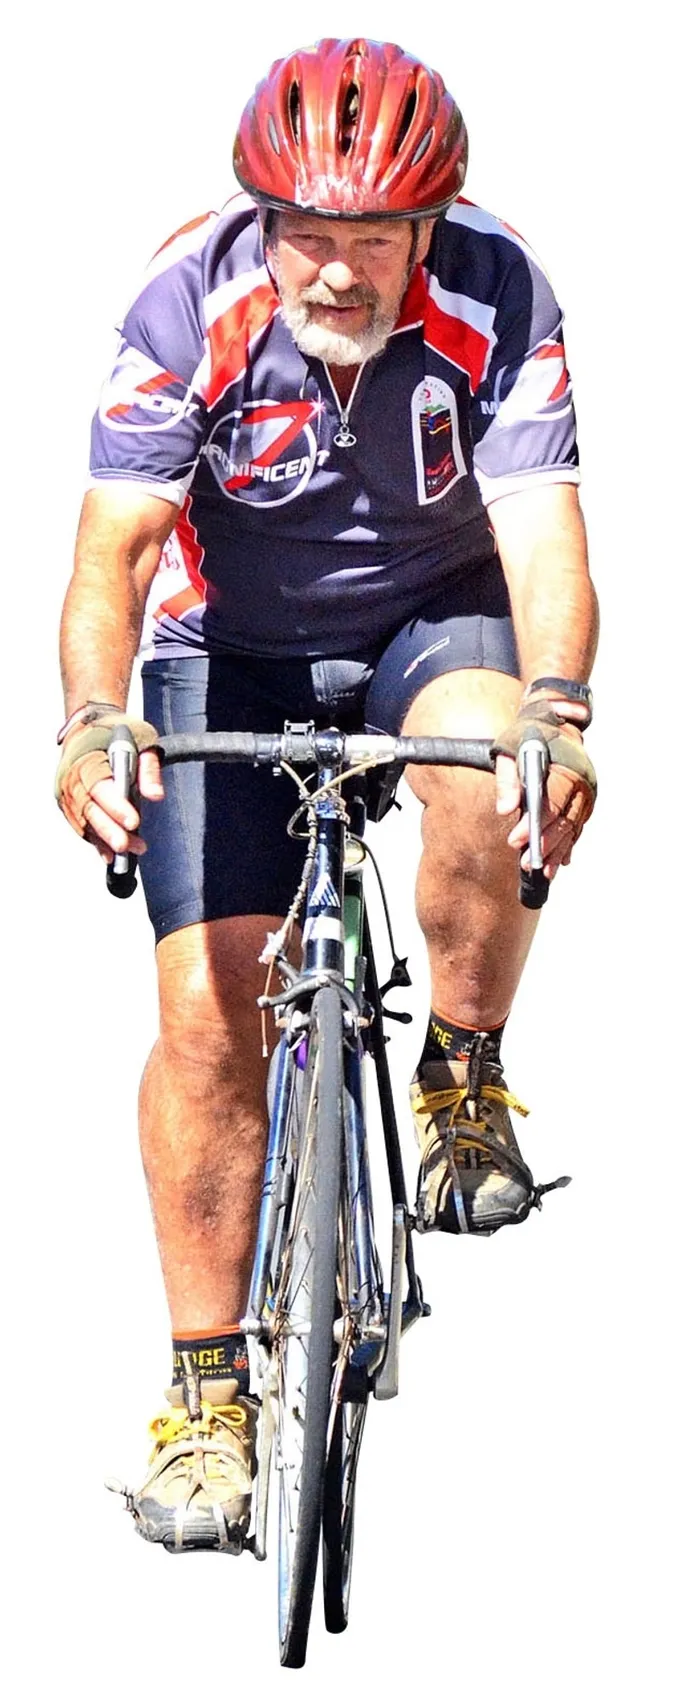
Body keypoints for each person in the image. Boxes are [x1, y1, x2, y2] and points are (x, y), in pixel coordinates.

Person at [56, 38, 598, 1553]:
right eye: (307, 232)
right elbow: (113, 552)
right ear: (261, 218)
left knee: (488, 767)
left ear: (433, 227)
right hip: (225, 642)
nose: (339, 271)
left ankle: (463, 1076)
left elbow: (546, 537)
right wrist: (92, 720)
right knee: (202, 1007)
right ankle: (207, 1397)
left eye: (375, 237)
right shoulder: (188, 300)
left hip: (432, 617)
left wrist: (557, 710)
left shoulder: (502, 292)